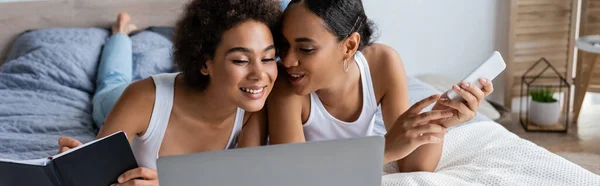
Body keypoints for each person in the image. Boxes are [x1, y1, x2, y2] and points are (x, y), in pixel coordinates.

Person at [57, 0, 282, 185]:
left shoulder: (255, 106)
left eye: (268, 58)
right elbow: (99, 175)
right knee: (111, 83)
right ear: (205, 64)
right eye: (241, 60)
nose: (260, 74)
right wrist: (80, 167)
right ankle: (120, 34)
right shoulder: (144, 98)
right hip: (122, 99)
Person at [268, 0, 494, 172]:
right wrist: (383, 151)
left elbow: (412, 165)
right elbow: (296, 174)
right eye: (284, 46)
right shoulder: (285, 87)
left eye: (305, 49)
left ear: (350, 46)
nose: (287, 61)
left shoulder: (382, 64)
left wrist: (441, 119)